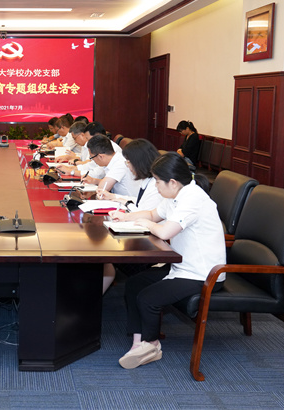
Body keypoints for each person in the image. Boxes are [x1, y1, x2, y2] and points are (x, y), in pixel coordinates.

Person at [108, 152, 225, 370]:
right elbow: (154, 215)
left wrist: (144, 223)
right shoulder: (175, 194)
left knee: (148, 298)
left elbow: (164, 231)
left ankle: (152, 345)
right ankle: (138, 343)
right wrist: (125, 217)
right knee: (135, 284)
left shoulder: (193, 199)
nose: (155, 186)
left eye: (157, 181)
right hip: (182, 266)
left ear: (172, 182)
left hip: (203, 273)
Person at [96, 139, 165, 293]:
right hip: (144, 237)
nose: (127, 166)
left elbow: (144, 214)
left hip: (151, 245)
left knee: (107, 255)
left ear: (138, 162)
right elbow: (139, 203)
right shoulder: (147, 180)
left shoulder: (157, 185)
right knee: (106, 257)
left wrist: (125, 211)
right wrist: (115, 198)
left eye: (128, 162)